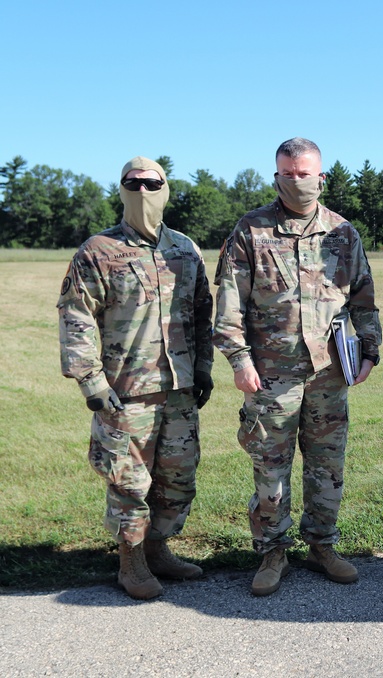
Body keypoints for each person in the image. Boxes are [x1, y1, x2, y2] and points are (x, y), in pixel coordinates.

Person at [214, 137, 381, 596]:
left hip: (329, 373)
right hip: (270, 375)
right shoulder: (251, 231)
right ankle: (272, 551)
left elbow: (363, 300)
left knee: (328, 466)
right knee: (270, 467)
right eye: (287, 173)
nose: (295, 180)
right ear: (276, 176)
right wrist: (239, 360)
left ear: (321, 177)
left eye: (304, 173)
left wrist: (370, 350)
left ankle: (323, 545)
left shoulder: (343, 233)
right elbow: (229, 306)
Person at [57, 156, 214, 600]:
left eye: (151, 183)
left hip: (180, 389)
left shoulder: (184, 249)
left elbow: (203, 313)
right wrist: (92, 383)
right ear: (122, 189)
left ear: (166, 189)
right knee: (129, 482)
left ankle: (158, 548)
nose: (142, 191)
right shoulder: (98, 251)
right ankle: (131, 561)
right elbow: (76, 317)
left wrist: (202, 367)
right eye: (133, 183)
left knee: (178, 478)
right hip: (125, 393)